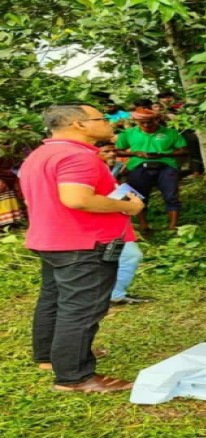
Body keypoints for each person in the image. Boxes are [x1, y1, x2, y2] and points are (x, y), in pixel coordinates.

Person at [20, 103, 144, 392]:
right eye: (103, 118)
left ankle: (52, 357)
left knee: (54, 300)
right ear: (79, 124)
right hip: (82, 243)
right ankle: (75, 376)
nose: (110, 122)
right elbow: (77, 199)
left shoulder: (41, 154)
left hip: (52, 239)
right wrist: (127, 207)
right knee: (82, 308)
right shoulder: (76, 156)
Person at [96, 144, 154, 305]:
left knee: (125, 256)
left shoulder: (112, 170)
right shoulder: (92, 171)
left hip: (117, 221)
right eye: (106, 152)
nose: (111, 154)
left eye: (113, 151)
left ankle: (114, 293)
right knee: (130, 256)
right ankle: (114, 294)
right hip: (104, 223)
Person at [115, 108, 188, 232]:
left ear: (157, 119)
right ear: (137, 121)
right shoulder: (128, 133)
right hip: (138, 167)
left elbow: (184, 150)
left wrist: (163, 154)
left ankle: (172, 227)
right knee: (139, 197)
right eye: (142, 122)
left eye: (149, 122)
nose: (146, 125)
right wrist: (136, 153)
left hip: (166, 167)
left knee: (171, 197)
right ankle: (143, 225)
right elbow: (118, 150)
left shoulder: (170, 133)